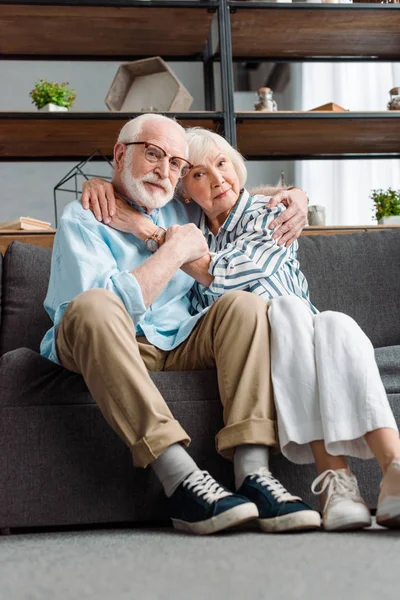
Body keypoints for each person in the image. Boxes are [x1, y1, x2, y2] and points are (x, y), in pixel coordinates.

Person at [84, 125, 400, 532]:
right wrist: (101, 183)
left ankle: (389, 469)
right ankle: (338, 484)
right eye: (197, 174)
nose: (216, 179)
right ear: (184, 191)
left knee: (329, 322)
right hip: (258, 340)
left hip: (301, 326)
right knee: (287, 316)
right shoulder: (194, 227)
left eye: (222, 165)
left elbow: (229, 274)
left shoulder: (271, 214)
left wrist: (155, 235)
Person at [42, 113, 321, 536]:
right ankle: (182, 479)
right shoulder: (84, 216)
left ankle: (254, 475)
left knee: (243, 306)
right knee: (95, 305)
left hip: (178, 339)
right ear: (120, 154)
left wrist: (294, 196)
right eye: (153, 155)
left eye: (175, 163)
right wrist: (172, 252)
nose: (165, 170)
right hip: (108, 340)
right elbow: (106, 312)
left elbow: (229, 191)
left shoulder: (178, 204)